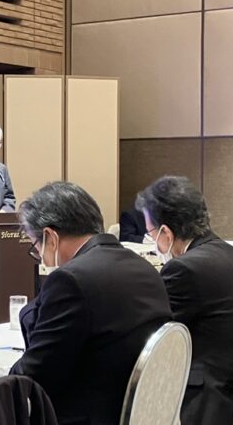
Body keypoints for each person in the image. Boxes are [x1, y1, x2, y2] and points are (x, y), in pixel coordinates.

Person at [10, 181, 172, 424]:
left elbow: (34, 376)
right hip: (139, 411)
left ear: (50, 237)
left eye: (36, 245)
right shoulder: (144, 268)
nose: (40, 256)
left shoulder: (70, 280)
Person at [135, 175, 233, 425]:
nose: (152, 243)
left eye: (150, 233)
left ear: (165, 232)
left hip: (209, 399)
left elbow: (153, 336)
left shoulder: (184, 269)